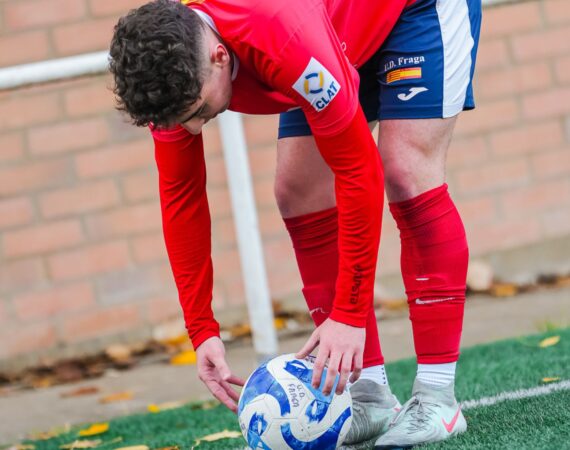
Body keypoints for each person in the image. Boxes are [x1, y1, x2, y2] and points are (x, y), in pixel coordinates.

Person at [109, 0, 481, 447]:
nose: (191, 130)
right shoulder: (171, 77)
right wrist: (202, 329)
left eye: (199, 111)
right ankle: (369, 395)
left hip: (409, 11)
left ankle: (437, 398)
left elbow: (359, 172)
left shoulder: (280, 39)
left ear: (219, 56)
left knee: (404, 171)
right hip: (329, 31)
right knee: (299, 192)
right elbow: (181, 200)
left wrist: (348, 315)